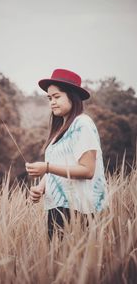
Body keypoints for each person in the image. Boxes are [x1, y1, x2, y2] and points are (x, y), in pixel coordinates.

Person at [25, 69, 108, 240]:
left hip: (78, 211)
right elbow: (59, 165)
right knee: (56, 263)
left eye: (57, 97)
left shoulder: (82, 123)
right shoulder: (61, 129)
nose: (52, 102)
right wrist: (40, 188)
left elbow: (87, 170)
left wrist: (46, 167)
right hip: (57, 208)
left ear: (72, 96)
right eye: (49, 98)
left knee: (74, 263)